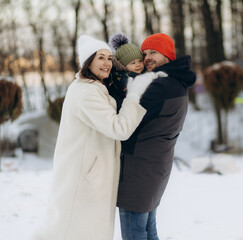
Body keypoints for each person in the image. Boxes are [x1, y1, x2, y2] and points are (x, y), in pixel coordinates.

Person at [31, 34, 165, 240]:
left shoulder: (94, 87)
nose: (107, 63)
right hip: (84, 179)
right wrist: (134, 94)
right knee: (74, 232)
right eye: (100, 57)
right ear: (88, 61)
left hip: (91, 176)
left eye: (109, 58)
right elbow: (119, 129)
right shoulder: (86, 94)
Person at [115, 33, 197, 239]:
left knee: (135, 234)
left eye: (153, 52)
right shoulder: (175, 82)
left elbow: (125, 117)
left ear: (168, 55)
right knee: (148, 231)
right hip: (153, 169)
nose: (147, 57)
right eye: (144, 53)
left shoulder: (160, 86)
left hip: (139, 171)